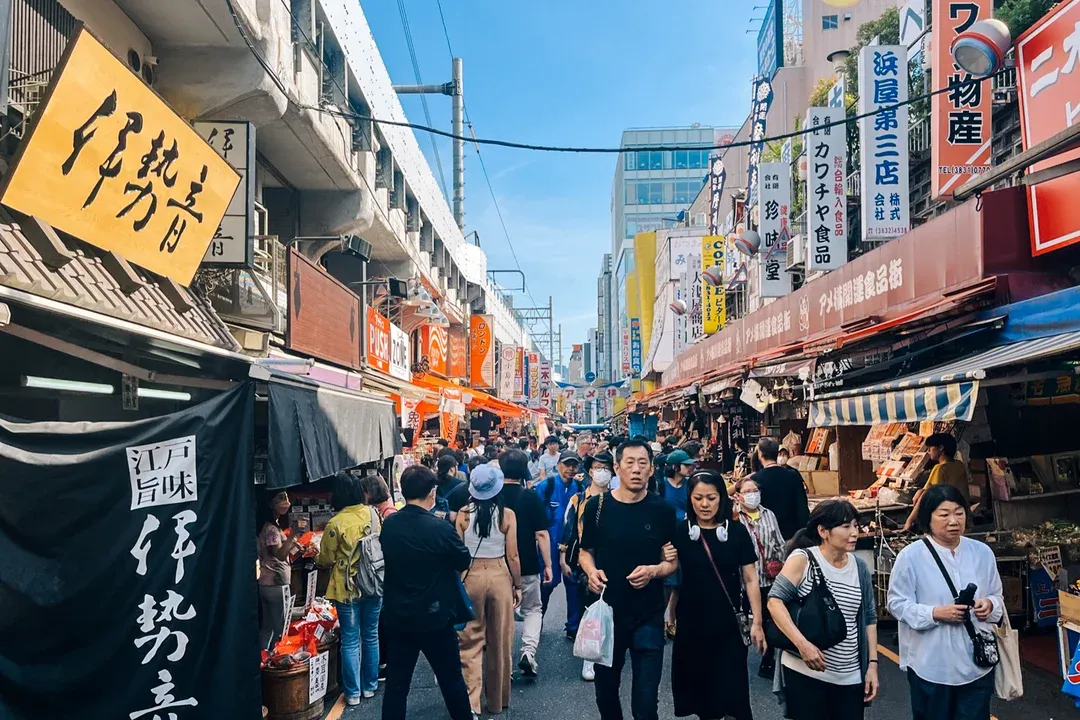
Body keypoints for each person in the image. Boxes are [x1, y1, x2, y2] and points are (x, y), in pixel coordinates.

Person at [579, 439, 679, 720]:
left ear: (650, 470)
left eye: (642, 463)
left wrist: (653, 571)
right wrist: (591, 571)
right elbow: (585, 553)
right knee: (606, 694)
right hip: (607, 616)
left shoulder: (663, 511)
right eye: (630, 463)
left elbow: (672, 562)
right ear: (616, 468)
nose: (636, 469)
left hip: (648, 615)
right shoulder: (597, 506)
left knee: (646, 704)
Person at [888, 484, 1004, 720]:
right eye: (944, 514)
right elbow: (896, 603)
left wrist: (989, 605)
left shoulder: (982, 553)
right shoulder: (911, 557)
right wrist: (935, 614)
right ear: (927, 518)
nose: (953, 521)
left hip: (976, 663)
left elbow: (997, 596)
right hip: (930, 665)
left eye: (959, 513)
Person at [768, 500, 879, 720]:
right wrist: (803, 645)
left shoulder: (860, 567)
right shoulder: (803, 559)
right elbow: (774, 601)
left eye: (856, 526)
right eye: (846, 527)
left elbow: (869, 617)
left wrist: (872, 666)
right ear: (823, 531)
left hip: (849, 674)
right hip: (805, 671)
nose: (854, 533)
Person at [670, 470, 766, 720]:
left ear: (722, 498)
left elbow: (751, 579)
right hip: (691, 622)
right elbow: (675, 575)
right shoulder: (682, 533)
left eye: (711, 498)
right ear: (689, 498)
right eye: (698, 497)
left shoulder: (735, 533)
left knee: (731, 689)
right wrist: (670, 609)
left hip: (728, 624)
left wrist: (757, 622)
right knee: (701, 692)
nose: (704, 504)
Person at [379, 466, 473, 720]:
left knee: (397, 686)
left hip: (399, 615)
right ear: (432, 492)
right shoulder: (439, 528)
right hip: (435, 615)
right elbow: (463, 559)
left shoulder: (390, 525)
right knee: (451, 680)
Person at [455, 464, 521, 717]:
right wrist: (518, 585)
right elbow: (513, 556)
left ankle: (471, 704)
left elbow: (459, 552)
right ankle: (497, 701)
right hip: (499, 575)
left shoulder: (462, 514)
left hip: (470, 575)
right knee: (500, 640)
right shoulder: (507, 515)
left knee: (469, 642)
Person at [315, 473, 379, 705]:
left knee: (351, 639)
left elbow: (326, 557)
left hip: (347, 588)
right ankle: (370, 686)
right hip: (372, 584)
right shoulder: (372, 514)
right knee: (371, 634)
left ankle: (352, 693)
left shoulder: (336, 523)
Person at [559, 450, 616, 679]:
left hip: (612, 558)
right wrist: (563, 558)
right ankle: (589, 658)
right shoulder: (579, 499)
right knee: (589, 605)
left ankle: (610, 649)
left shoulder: (617, 498)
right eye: (597, 467)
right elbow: (568, 528)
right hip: (586, 558)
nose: (601, 472)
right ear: (590, 471)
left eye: (606, 468)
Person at [497, 449, 553, 678]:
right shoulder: (530, 497)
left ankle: (505, 662)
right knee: (532, 609)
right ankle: (528, 652)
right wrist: (548, 564)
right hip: (528, 563)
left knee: (502, 615)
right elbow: (541, 533)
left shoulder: (492, 495)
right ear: (523, 470)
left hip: (497, 564)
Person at [734, 476, 786, 678]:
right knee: (746, 620)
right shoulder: (734, 517)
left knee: (770, 619)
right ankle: (741, 656)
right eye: (747, 492)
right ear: (738, 496)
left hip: (770, 577)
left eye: (754, 490)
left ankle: (768, 658)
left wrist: (784, 567)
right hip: (745, 580)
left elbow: (779, 543)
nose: (752, 495)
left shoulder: (768, 514)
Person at [534, 450, 585, 623]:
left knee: (573, 585)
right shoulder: (546, 486)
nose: (571, 469)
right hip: (548, 543)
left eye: (574, 465)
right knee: (546, 584)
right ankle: (536, 624)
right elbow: (535, 516)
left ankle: (573, 626)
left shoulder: (579, 488)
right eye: (567, 464)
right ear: (558, 465)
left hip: (571, 545)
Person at [903, 433, 969, 532]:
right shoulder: (959, 465)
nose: (928, 451)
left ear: (941, 448)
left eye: (930, 448)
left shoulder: (940, 468)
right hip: (963, 515)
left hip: (945, 517)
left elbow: (925, 495)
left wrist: (909, 520)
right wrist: (920, 491)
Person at [661, 448, 694, 638]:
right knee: (667, 582)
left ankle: (671, 619)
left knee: (680, 584)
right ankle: (659, 619)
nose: (690, 468)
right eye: (686, 465)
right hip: (666, 540)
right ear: (675, 467)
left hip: (687, 537)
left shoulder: (690, 485)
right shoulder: (661, 485)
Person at [752, 437, 810, 541]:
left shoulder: (756, 479)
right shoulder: (793, 475)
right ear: (776, 453)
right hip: (793, 535)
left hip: (768, 536)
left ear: (760, 454)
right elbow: (802, 508)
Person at [257, 489, 295, 651]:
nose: (285, 501)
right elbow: (279, 554)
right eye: (280, 498)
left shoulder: (270, 527)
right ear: (271, 504)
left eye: (286, 497)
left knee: (267, 626)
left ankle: (263, 658)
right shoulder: (271, 529)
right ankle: (278, 660)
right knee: (281, 627)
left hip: (265, 583)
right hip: (276, 583)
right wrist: (294, 535)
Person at [435, 454, 464, 523]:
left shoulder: (431, 482)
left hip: (433, 521)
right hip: (453, 523)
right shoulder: (462, 485)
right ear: (452, 469)